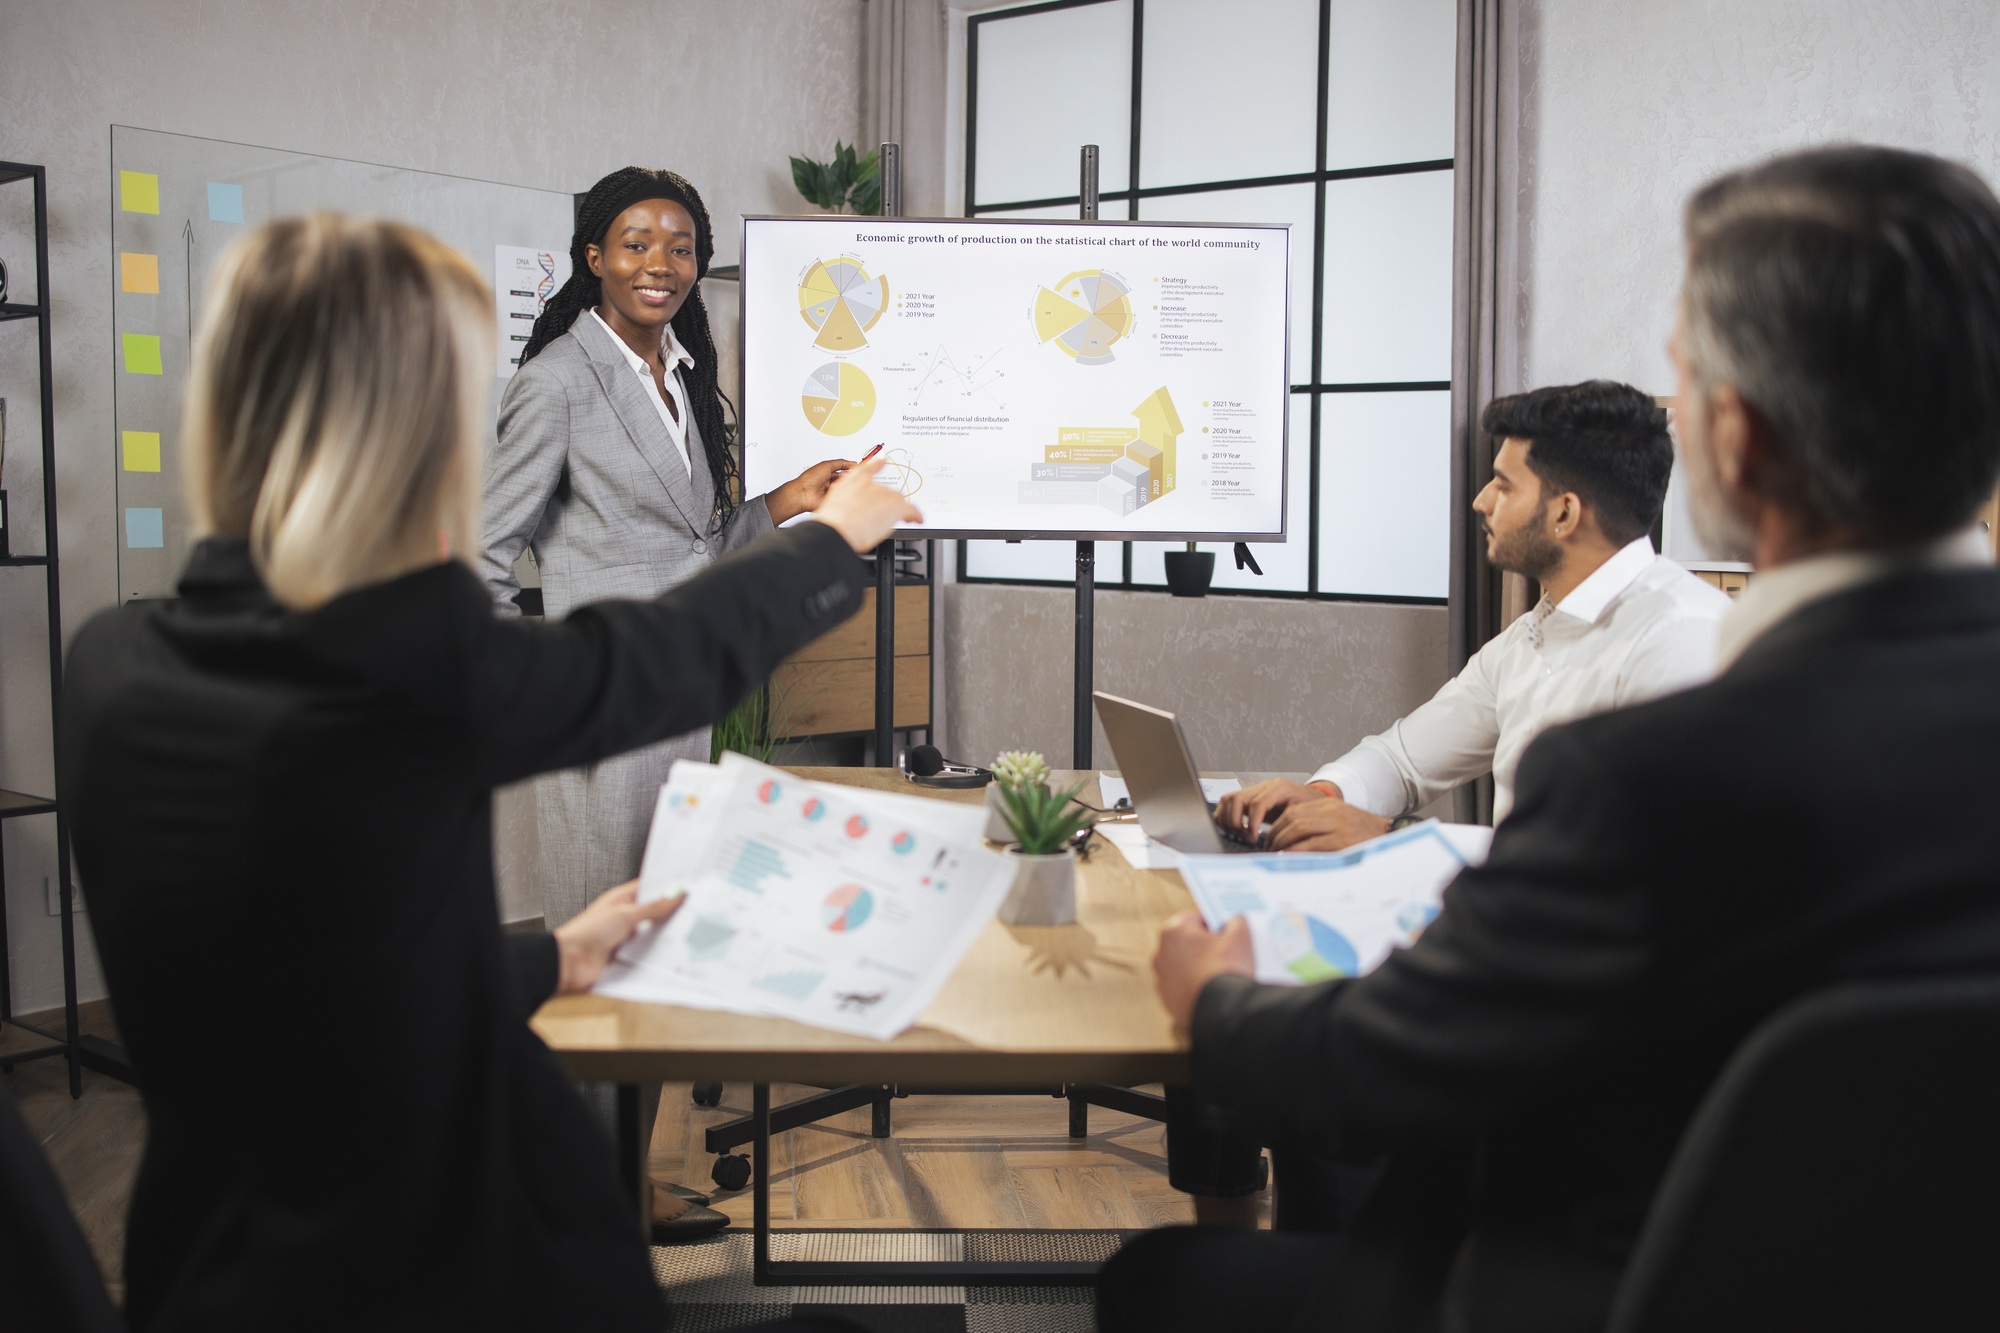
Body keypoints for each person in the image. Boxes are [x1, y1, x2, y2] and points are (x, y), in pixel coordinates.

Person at [1101, 143, 2000, 1332]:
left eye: (1688, 375)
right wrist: (1337, 801)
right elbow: (1414, 753)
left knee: (1151, 1283)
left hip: (1593, 1285)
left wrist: (1212, 1000)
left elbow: (1367, 1075)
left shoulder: (1656, 767)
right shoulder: (1564, 669)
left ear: (1739, 438)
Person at [59, 213, 917, 1332]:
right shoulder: (402, 660)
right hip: (452, 1271)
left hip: (213, 1268)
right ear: (410, 432)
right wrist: (831, 542)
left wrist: (548, 955)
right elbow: (649, 660)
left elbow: (316, 990)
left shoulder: (110, 662)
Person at [481, 167, 858, 1234]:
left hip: (681, 708)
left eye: (680, 245)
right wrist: (505, 684)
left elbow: (696, 549)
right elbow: (483, 549)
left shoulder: (681, 374)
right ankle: (573, 1198)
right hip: (600, 710)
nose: (661, 262)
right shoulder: (556, 381)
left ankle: (626, 1180)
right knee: (593, 951)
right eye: (636, 242)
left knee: (652, 942)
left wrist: (781, 505)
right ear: (591, 256)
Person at [1219, 380, 1731, 854]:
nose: (1480, 501)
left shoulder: (1682, 637)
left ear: (1564, 514)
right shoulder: (1531, 636)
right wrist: (1322, 795)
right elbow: (1403, 763)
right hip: (1508, 920)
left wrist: (1386, 837)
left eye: (1504, 486)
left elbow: (1642, 858)